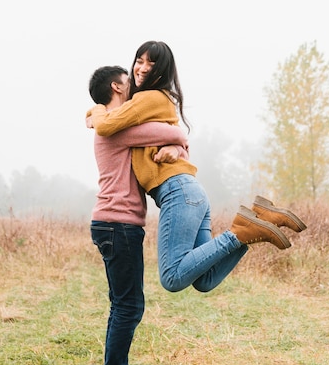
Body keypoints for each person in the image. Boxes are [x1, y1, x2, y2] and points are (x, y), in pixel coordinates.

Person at [86, 41, 307, 296]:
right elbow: (165, 137)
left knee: (172, 277)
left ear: (163, 69)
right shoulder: (148, 102)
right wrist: (177, 148)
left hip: (177, 192)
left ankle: (239, 232)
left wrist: (97, 109)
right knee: (205, 279)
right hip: (190, 192)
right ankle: (255, 225)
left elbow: (109, 125)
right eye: (139, 60)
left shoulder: (148, 98)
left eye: (151, 62)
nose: (142, 68)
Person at [87, 65, 190, 365]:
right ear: (117, 87)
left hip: (115, 225)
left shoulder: (115, 124)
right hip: (117, 225)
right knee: (127, 307)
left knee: (126, 306)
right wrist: (180, 139)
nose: (135, 85)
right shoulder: (118, 129)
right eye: (129, 81)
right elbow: (171, 131)